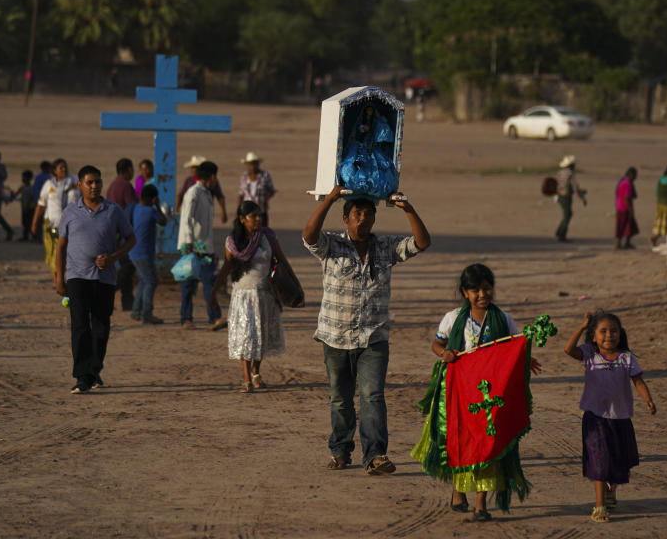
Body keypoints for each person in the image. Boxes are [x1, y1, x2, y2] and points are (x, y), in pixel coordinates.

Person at [303, 185, 430, 475]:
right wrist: (331, 198)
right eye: (357, 213)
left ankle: (375, 456)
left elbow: (422, 242)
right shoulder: (331, 246)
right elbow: (309, 235)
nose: (363, 218)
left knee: (373, 396)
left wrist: (407, 208)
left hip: (373, 337)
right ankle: (341, 450)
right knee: (340, 398)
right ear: (345, 218)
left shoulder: (385, 248)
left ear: (374, 218)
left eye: (368, 214)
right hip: (335, 337)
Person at [412, 264, 541, 521]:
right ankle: (458, 490)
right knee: (461, 440)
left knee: (489, 444)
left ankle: (481, 503)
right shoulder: (452, 318)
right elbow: (437, 343)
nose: (482, 294)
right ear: (464, 292)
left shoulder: (504, 319)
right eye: (476, 290)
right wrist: (444, 354)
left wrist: (527, 359)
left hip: (491, 394)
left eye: (487, 288)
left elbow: (514, 349)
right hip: (460, 391)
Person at [563, 311, 656, 523]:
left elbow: (638, 382)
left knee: (616, 459)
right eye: (603, 331)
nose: (609, 335)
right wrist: (581, 326)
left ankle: (610, 488)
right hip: (595, 418)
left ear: (620, 334)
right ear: (593, 336)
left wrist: (648, 400)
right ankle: (599, 506)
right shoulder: (589, 353)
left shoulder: (626, 357)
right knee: (599, 460)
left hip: (620, 418)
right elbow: (568, 350)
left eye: (613, 331)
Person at [55, 165, 136, 394]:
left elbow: (131, 239)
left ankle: (94, 367)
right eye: (89, 182)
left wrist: (113, 258)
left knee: (101, 328)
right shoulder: (70, 212)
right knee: (80, 326)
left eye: (98, 182)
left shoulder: (114, 211)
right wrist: (60, 278)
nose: (94, 186)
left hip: (105, 278)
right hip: (77, 277)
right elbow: (61, 247)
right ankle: (83, 376)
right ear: (79, 185)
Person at [209, 200, 296, 392]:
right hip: (242, 296)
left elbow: (281, 260)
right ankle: (247, 378)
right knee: (245, 336)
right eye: (253, 216)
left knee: (261, 337)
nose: (258, 219)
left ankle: (256, 373)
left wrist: (294, 282)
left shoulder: (268, 237)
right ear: (242, 219)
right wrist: (213, 292)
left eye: (259, 216)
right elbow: (226, 268)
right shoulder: (232, 241)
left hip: (265, 294)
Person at [178, 160, 224, 330]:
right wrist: (189, 241)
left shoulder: (205, 193)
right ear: (212, 176)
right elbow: (187, 218)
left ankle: (214, 317)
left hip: (205, 246)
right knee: (189, 284)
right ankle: (186, 318)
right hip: (193, 246)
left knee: (209, 281)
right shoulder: (193, 192)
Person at [32, 158, 79, 289]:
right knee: (54, 253)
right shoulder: (49, 185)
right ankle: (57, 281)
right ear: (54, 171)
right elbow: (41, 205)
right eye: (60, 168)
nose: (64, 170)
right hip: (53, 224)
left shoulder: (74, 181)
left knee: (71, 253)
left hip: (72, 224)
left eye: (65, 167)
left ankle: (70, 280)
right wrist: (34, 223)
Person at [129, 184, 167, 325]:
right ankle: (146, 313)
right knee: (151, 281)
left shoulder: (136, 209)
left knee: (144, 281)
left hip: (134, 252)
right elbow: (164, 221)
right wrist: (157, 206)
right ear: (153, 198)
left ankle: (136, 311)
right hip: (144, 253)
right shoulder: (151, 211)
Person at [106, 158, 138, 312]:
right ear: (129, 169)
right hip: (122, 232)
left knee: (122, 266)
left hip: (112, 230)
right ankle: (108, 293)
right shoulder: (126, 186)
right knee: (127, 267)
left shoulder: (112, 185)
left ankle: (128, 302)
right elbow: (131, 209)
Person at [177, 155, 228, 223]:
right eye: (191, 167)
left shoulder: (210, 185)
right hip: (194, 217)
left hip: (207, 214)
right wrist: (177, 208)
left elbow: (220, 197)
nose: (191, 170)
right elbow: (181, 195)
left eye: (194, 167)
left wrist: (223, 212)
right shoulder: (190, 185)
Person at [237, 151, 276, 226]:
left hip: (260, 210)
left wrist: (265, 200)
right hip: (247, 212)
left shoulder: (265, 175)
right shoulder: (244, 177)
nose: (253, 166)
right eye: (250, 164)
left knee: (262, 232)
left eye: (254, 163)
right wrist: (239, 210)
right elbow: (241, 194)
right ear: (247, 165)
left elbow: (271, 190)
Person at [554, 155, 587, 242]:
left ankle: (559, 232)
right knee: (567, 215)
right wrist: (582, 198)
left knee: (567, 214)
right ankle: (561, 234)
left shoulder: (560, 172)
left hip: (560, 196)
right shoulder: (570, 173)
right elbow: (575, 187)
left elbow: (558, 184)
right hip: (566, 197)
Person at [614, 167, 638, 250]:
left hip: (619, 206)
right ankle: (619, 243)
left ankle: (626, 243)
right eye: (635, 175)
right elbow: (626, 197)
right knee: (625, 226)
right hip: (624, 207)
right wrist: (630, 209)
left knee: (627, 226)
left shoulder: (622, 181)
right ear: (631, 174)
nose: (636, 177)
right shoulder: (627, 183)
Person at [31, 161, 52, 243]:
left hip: (39, 201)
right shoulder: (49, 178)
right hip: (45, 203)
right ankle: (40, 237)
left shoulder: (38, 177)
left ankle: (37, 236)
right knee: (44, 221)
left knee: (39, 220)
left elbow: (35, 189)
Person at [17, 170, 35, 241]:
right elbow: (16, 193)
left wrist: (28, 206)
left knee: (28, 223)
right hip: (24, 208)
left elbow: (32, 198)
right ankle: (26, 236)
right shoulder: (23, 187)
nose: (22, 179)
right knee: (24, 223)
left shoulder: (31, 188)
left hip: (29, 208)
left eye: (23, 178)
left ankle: (31, 236)